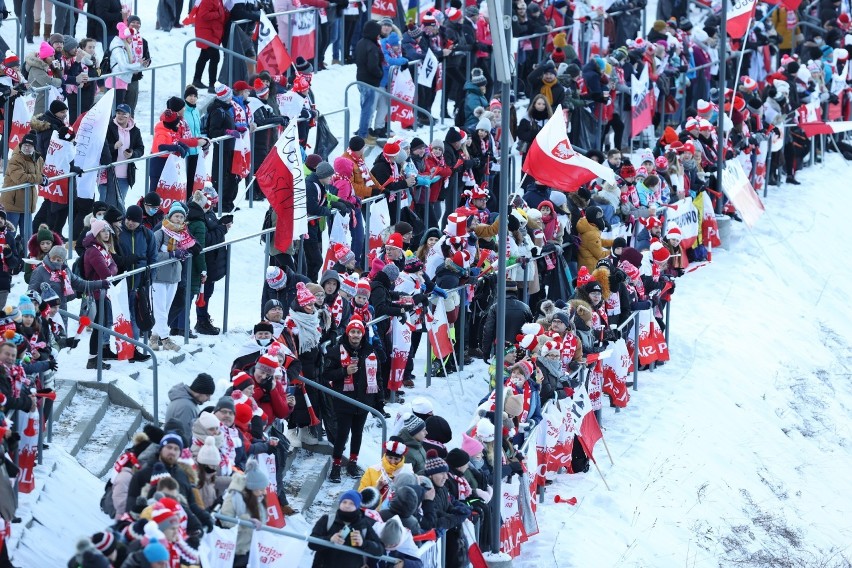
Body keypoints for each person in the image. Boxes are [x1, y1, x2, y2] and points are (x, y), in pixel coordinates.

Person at [324, 315, 382, 482]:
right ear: (348, 333)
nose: (356, 335)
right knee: (342, 434)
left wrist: (379, 401)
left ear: (362, 334)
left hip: (364, 399)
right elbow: (326, 374)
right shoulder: (336, 350)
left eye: (358, 332)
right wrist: (344, 372)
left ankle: (352, 463)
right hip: (344, 400)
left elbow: (377, 376)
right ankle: (336, 465)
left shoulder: (370, 351)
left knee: (357, 433)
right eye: (353, 332)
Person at [150, 202, 202, 352]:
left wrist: (188, 251)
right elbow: (153, 255)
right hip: (159, 276)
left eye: (181, 217)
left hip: (174, 276)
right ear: (170, 217)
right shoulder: (160, 232)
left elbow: (195, 247)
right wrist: (172, 254)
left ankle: (153, 337)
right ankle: (165, 340)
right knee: (159, 309)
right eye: (176, 216)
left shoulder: (183, 234)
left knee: (165, 310)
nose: (179, 219)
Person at [309, 490, 384, 568]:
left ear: (357, 506)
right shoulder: (327, 520)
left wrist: (363, 543)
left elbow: (380, 550)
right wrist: (329, 539)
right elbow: (311, 543)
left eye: (352, 503)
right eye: (344, 502)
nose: (347, 505)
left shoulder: (364, 525)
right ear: (340, 503)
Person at [82, 218, 120, 369]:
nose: (107, 234)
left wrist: (111, 268)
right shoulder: (93, 250)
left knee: (102, 325)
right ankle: (93, 359)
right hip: (97, 294)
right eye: (103, 231)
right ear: (97, 233)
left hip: (104, 293)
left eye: (108, 230)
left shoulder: (103, 248)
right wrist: (111, 268)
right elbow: (107, 273)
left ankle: (95, 358)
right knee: (99, 327)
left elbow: (114, 266)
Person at [220, 459, 269, 568]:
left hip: (248, 548)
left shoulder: (258, 498)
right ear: (251, 488)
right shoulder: (234, 497)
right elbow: (225, 520)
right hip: (232, 548)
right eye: (260, 489)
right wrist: (247, 522)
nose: (263, 492)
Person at [101, 103, 144, 213]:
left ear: (129, 116)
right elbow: (100, 147)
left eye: (123, 114)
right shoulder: (108, 127)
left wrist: (132, 154)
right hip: (107, 173)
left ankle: (117, 229)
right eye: (118, 113)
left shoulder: (135, 131)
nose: (120, 116)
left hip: (124, 175)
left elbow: (140, 148)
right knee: (104, 205)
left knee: (119, 205)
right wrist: (113, 146)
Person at [1, 131, 43, 234]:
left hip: (27, 204)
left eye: (30, 145)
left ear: (35, 147)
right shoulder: (15, 159)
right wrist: (40, 179)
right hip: (12, 204)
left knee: (27, 236)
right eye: (25, 145)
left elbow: (38, 174)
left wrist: (42, 178)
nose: (27, 147)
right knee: (9, 235)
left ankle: (23, 250)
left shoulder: (38, 159)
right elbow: (20, 178)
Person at [163, 373, 216, 443]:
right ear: (199, 391)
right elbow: (186, 436)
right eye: (207, 395)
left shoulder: (186, 402)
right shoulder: (186, 407)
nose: (209, 399)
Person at [354, 20, 384, 143]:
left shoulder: (361, 42)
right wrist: (380, 74)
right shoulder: (371, 46)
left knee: (365, 108)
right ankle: (363, 135)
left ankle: (364, 131)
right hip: (369, 82)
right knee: (367, 109)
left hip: (361, 79)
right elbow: (373, 66)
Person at [105, 22, 144, 106]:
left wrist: (141, 65)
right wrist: (139, 65)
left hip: (120, 81)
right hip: (116, 82)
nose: (132, 40)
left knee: (118, 108)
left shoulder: (124, 47)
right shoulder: (118, 49)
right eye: (130, 38)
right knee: (116, 109)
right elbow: (124, 66)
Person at [24, 41, 63, 115]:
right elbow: (47, 81)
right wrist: (61, 82)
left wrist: (58, 69)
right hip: (37, 101)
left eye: (53, 55)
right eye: (51, 56)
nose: (53, 58)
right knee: (38, 123)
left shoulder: (45, 66)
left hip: (43, 99)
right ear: (44, 57)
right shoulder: (36, 67)